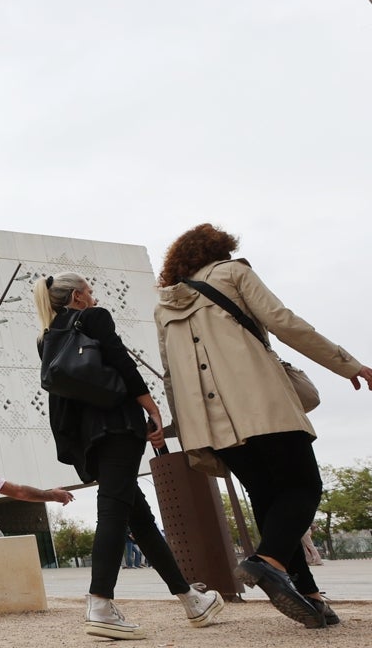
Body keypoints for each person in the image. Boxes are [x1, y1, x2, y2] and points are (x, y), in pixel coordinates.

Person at [155, 223, 372, 629]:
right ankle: (266, 561)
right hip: (261, 406)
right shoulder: (233, 272)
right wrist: (348, 364)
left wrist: (187, 430)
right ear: (218, 249)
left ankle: (308, 596)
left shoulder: (164, 305)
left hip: (209, 423)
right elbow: (283, 322)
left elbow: (170, 376)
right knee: (306, 486)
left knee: (269, 498)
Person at [35, 273, 223, 640]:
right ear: (77, 296)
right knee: (114, 510)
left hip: (87, 438)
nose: (93, 296)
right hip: (118, 425)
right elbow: (121, 362)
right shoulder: (94, 317)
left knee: (140, 517)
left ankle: (190, 599)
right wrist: (151, 408)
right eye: (89, 291)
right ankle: (100, 603)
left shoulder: (46, 338)